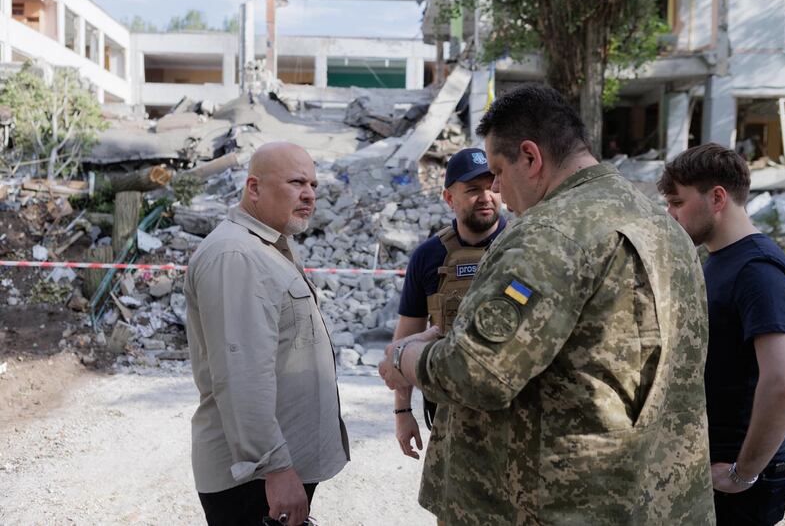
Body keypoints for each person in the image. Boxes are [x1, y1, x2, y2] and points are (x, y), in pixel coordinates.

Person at [378, 83, 715, 524]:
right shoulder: (662, 226)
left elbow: (476, 373)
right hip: (653, 498)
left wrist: (405, 356)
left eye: (498, 171)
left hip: (547, 504)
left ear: (532, 158)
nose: (497, 189)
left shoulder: (549, 233)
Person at [185, 142, 349, 526]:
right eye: (296, 182)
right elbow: (241, 375)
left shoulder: (267, 247)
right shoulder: (236, 256)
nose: (309, 193)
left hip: (270, 469)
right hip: (251, 479)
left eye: (312, 184)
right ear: (253, 188)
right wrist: (274, 468)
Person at [658, 143, 785, 526]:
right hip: (715, 465)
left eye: (677, 203)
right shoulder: (721, 258)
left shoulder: (758, 269)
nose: (670, 215)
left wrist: (743, 472)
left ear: (717, 197)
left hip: (740, 478)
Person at [393, 147, 506, 459]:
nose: (486, 197)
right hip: (447, 406)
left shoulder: (524, 244)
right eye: (472, 190)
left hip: (512, 408)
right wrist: (402, 410)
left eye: (491, 186)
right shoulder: (428, 256)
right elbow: (406, 337)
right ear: (449, 198)